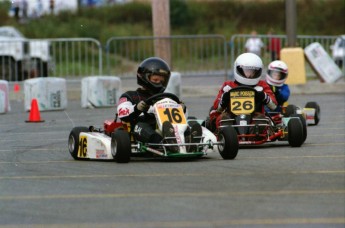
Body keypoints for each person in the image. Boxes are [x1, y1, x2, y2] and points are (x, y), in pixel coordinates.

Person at [117, 57, 202, 152]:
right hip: (142, 128)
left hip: (168, 128)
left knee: (191, 122)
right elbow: (122, 112)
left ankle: (189, 142)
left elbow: (182, 119)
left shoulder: (168, 98)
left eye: (162, 81)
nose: (159, 83)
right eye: (156, 79)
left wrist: (182, 109)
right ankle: (163, 143)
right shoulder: (130, 95)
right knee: (141, 126)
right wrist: (137, 108)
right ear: (144, 77)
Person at [208, 53, 277, 131]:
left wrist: (264, 96)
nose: (249, 75)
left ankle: (253, 134)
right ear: (238, 70)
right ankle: (227, 133)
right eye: (246, 71)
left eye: (252, 72)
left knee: (261, 121)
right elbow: (217, 107)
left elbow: (274, 106)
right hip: (231, 116)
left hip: (254, 116)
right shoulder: (228, 85)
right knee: (223, 119)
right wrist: (224, 98)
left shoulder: (262, 85)